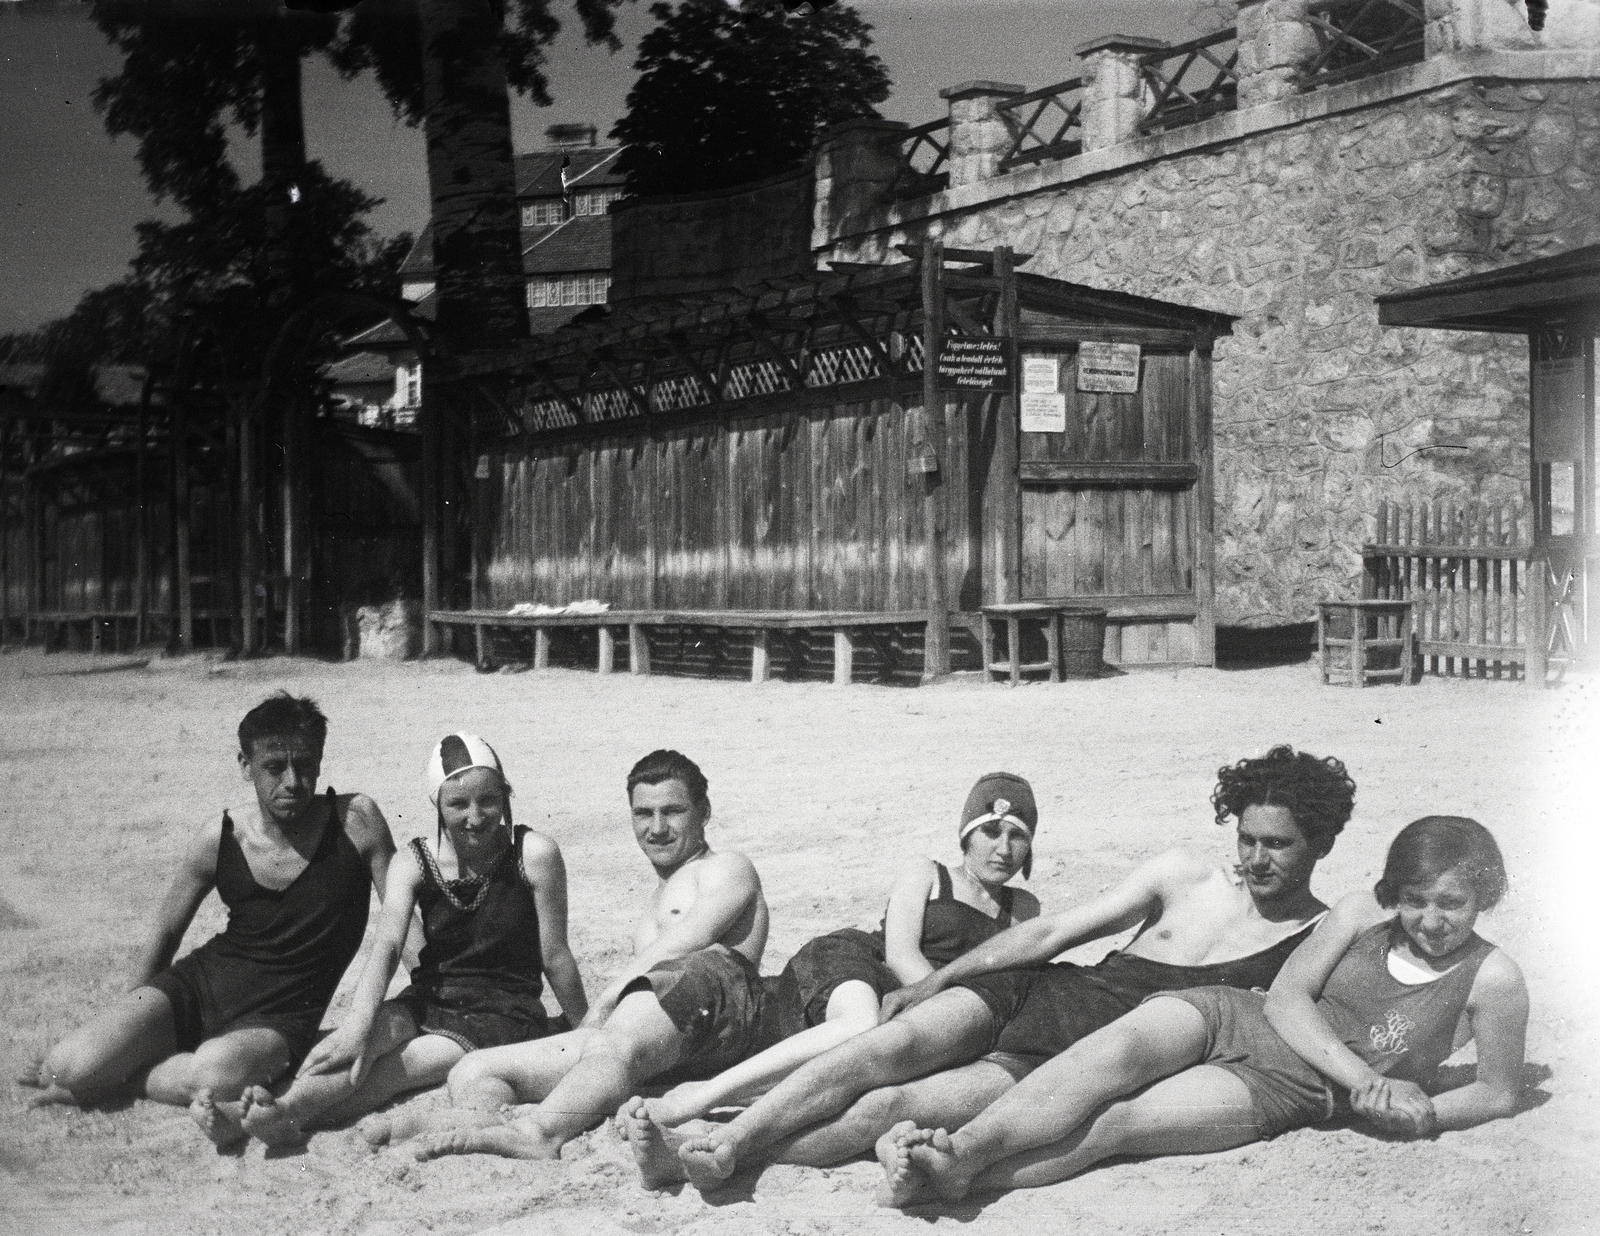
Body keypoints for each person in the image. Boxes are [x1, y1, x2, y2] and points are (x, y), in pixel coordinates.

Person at [628, 745, 1356, 1192]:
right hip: (1050, 990)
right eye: (1249, 839)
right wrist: (941, 978)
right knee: (884, 1050)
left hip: (1082, 1055)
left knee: (886, 1109)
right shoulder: (1185, 873)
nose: (1256, 860)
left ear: (1319, 844)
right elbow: (1056, 930)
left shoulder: (1313, 938)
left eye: (1279, 846)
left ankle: (716, 1153)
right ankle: (726, 1137)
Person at [878, 815, 1530, 1205]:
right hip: (1235, 1012)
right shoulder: (1362, 912)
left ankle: (959, 1179)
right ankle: (964, 1149)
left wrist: (1418, 1109)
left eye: (1452, 904)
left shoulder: (1493, 979)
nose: (1430, 920)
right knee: (1112, 1053)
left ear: (1484, 898)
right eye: (1416, 900)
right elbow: (1286, 996)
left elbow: (1498, 1093)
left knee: (1118, 1124)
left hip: (1293, 1085)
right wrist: (1368, 1080)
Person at [19, 694, 404, 1148]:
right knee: (71, 1066)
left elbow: (401, 913)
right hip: (199, 986)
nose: (293, 781)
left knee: (216, 1073)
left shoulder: (356, 822)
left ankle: (129, 1080)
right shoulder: (220, 836)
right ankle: (115, 1070)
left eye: (305, 765)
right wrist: (129, 1017)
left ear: (320, 762)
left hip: (281, 1015)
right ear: (245, 765)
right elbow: (167, 929)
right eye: (274, 767)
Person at [373, 749, 769, 1162]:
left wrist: (601, 1004)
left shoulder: (727, 867)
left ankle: (540, 1132)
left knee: (610, 1043)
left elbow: (691, 940)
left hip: (711, 1017)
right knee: (475, 1070)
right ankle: (474, 1119)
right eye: (643, 814)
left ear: (704, 812)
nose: (657, 828)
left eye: (673, 811)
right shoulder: (658, 896)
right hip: (647, 1042)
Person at [620, 773, 1041, 1149]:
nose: (1003, 849)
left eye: (1016, 836)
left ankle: (723, 1109)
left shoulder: (1023, 908)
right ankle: (698, 1097)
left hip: (916, 1008)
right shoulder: (928, 873)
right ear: (967, 834)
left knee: (859, 1075)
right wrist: (945, 1010)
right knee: (861, 1024)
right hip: (858, 966)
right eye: (991, 832)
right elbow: (901, 954)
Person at [233, 733, 587, 1147]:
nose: (475, 817)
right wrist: (357, 1026)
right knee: (366, 1039)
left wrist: (587, 1028)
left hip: (504, 1009)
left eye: (488, 800)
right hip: (431, 996)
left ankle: (289, 1114)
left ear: (507, 794)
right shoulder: (414, 861)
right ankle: (282, 1106)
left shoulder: (534, 853)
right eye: (457, 804)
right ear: (436, 804)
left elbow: (555, 956)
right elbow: (385, 947)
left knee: (407, 1063)